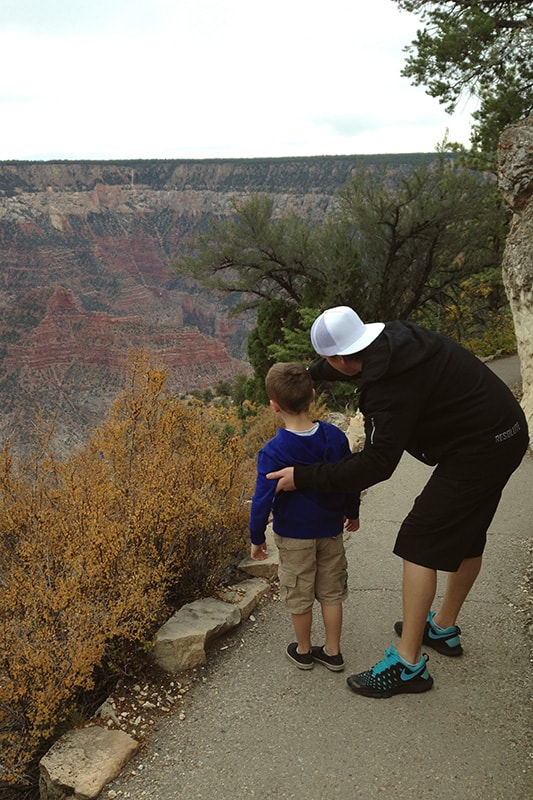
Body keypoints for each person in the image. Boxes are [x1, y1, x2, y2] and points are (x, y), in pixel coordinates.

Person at [267, 307, 529, 698]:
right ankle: (442, 628)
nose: (327, 365)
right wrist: (312, 373)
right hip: (507, 430)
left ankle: (407, 666)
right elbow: (343, 364)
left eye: (328, 360)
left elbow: (377, 464)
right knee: (469, 535)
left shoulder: (387, 390)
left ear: (341, 358)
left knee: (418, 540)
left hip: (479, 448)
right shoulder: (394, 338)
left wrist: (303, 477)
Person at [249, 362, 360, 672]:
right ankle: (334, 651)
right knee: (331, 591)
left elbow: (261, 500)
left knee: (299, 593)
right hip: (330, 530)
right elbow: (348, 478)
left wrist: (256, 537)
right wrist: (353, 512)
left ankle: (304, 649)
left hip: (294, 535)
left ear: (273, 406)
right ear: (312, 395)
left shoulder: (273, 451)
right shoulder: (334, 437)